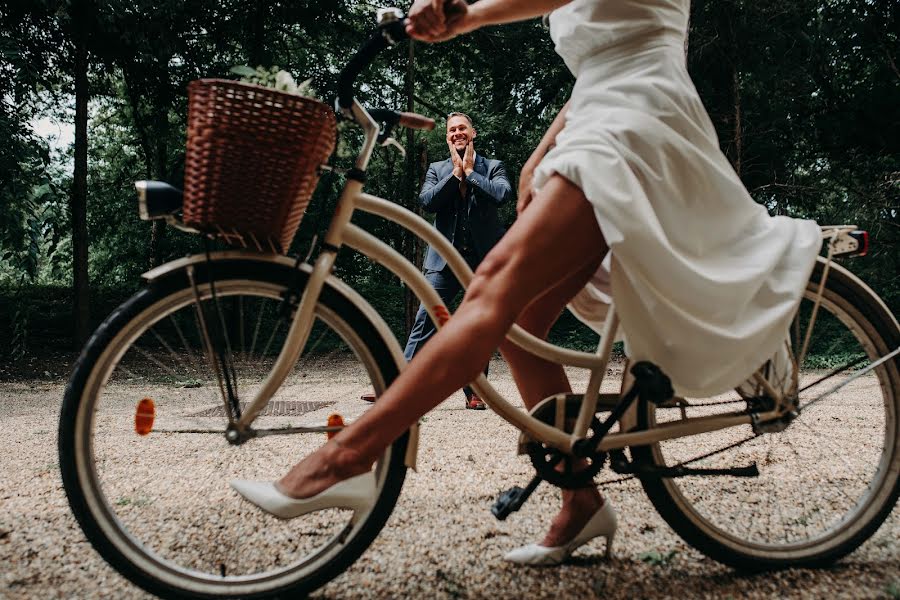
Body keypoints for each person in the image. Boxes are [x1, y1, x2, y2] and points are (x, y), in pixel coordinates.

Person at [231, 0, 821, 566]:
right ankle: (580, 502)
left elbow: (621, 43)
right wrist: (541, 155)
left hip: (636, 123)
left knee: (489, 290)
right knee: (517, 326)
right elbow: (597, 66)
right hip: (601, 118)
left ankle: (350, 455)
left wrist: (472, 13)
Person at [362, 112, 512, 410]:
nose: (457, 133)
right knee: (425, 321)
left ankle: (474, 391)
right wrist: (456, 175)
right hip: (443, 262)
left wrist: (471, 173)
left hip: (483, 262)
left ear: (473, 133)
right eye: (452, 130)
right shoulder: (437, 169)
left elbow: (503, 194)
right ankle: (394, 387)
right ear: (447, 136)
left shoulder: (493, 167)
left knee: (478, 326)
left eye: (462, 128)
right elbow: (427, 201)